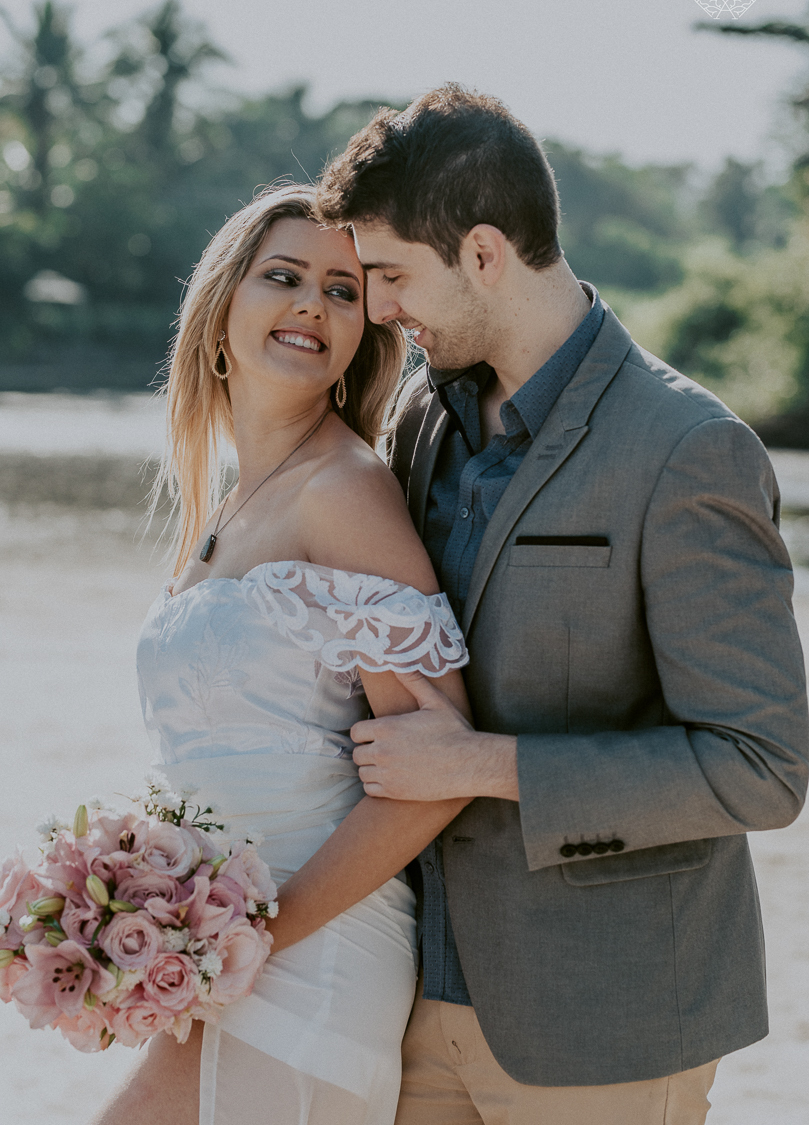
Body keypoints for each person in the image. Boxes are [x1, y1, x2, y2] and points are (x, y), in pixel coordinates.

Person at [315, 85, 809, 1125]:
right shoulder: (420, 415)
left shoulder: (688, 449)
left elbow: (760, 768)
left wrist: (481, 766)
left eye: (393, 275)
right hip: (407, 999)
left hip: (604, 1019)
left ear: (483, 252)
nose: (381, 308)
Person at [91, 184, 475, 1125]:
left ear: (358, 339)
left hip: (311, 951)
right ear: (222, 308)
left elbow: (437, 767)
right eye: (284, 277)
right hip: (222, 952)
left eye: (342, 292)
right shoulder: (234, 502)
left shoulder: (344, 492)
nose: (312, 304)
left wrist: (248, 940)